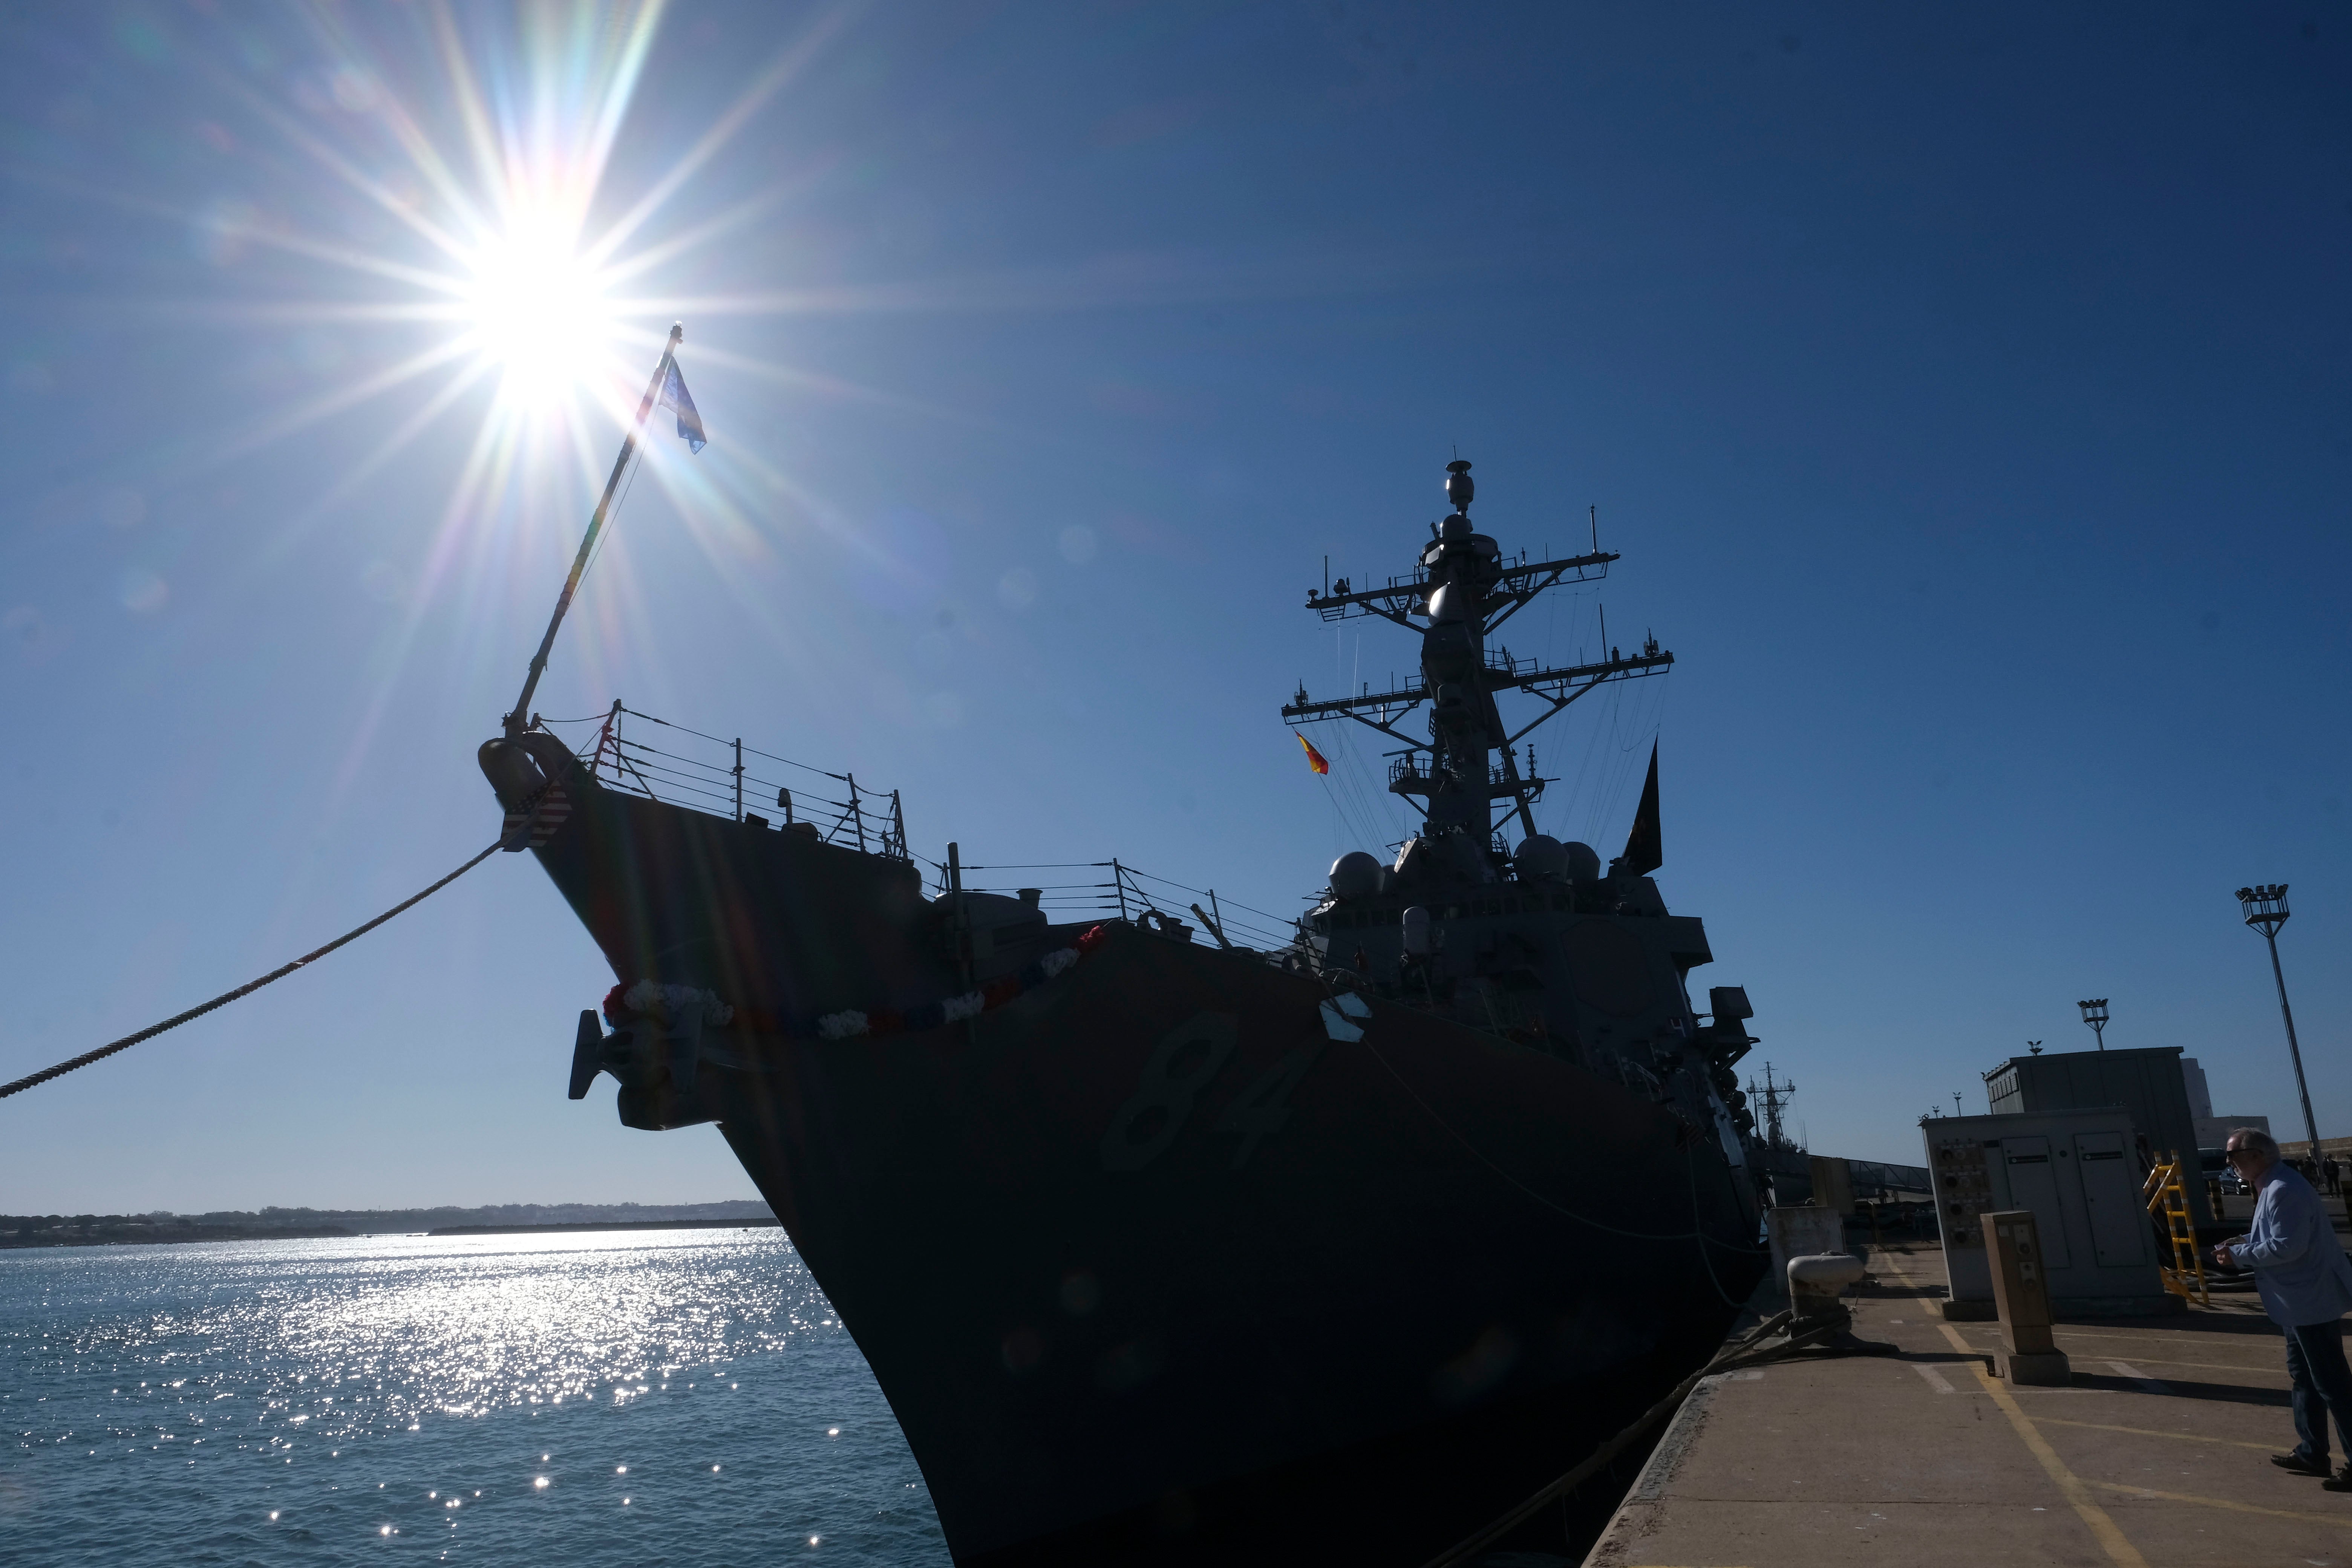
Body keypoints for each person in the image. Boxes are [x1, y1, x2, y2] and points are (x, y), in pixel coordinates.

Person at [2214, 1127, 2352, 1487]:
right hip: (2296, 1302)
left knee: (2332, 1384)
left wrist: (2239, 1256)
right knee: (2305, 1377)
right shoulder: (2273, 1186)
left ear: (2256, 1155)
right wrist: (2242, 1242)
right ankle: (2312, 1450)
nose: (2230, 1163)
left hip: (2309, 1300)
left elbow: (2289, 1246)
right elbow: (2276, 1236)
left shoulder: (2283, 1190)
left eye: (2233, 1156)